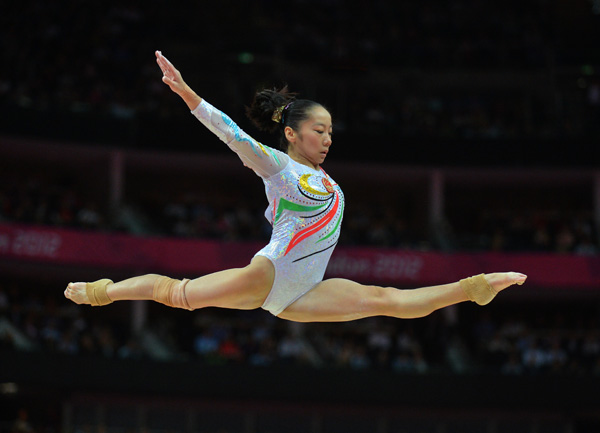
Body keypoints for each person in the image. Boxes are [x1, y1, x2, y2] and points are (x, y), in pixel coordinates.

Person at [64, 51, 527, 322]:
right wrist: (188, 94)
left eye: (330, 132)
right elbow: (231, 132)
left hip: (303, 290)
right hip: (269, 273)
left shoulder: (326, 180)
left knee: (385, 300)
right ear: (290, 132)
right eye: (318, 130)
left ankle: (474, 287)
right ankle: (102, 290)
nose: (326, 139)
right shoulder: (279, 168)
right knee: (177, 294)